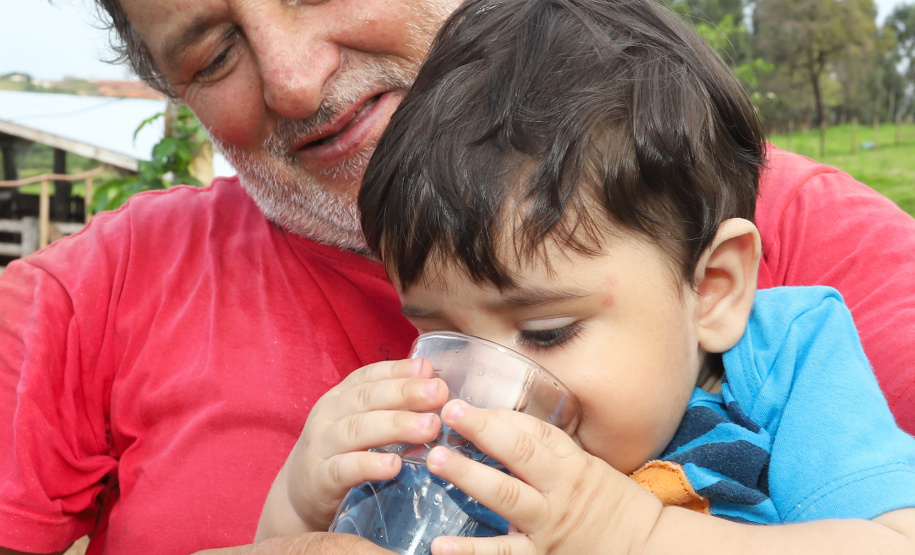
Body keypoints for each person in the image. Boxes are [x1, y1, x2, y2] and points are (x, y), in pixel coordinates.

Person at [0, 0, 913, 553]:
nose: (291, 78)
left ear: (713, 288)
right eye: (211, 54)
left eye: (547, 331)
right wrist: (295, 503)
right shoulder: (92, 293)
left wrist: (632, 533)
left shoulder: (786, 346)